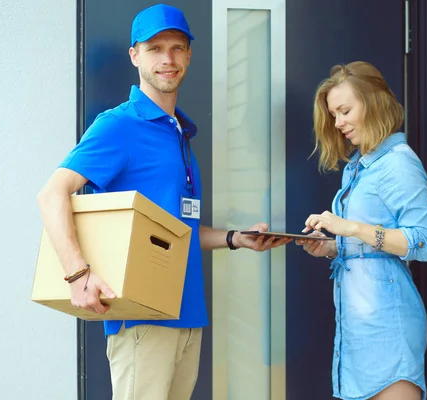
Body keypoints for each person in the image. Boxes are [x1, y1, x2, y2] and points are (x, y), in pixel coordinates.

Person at [36, 4, 289, 399]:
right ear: (134, 55)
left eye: (177, 47)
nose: (167, 59)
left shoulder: (180, 134)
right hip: (141, 319)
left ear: (189, 55)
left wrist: (234, 238)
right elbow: (52, 193)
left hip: (187, 316)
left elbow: (176, 229)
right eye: (155, 48)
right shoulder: (118, 125)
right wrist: (77, 275)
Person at [296, 61, 427, 400]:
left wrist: (352, 228)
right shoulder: (359, 167)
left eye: (345, 111)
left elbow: (425, 242)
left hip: (389, 329)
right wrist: (333, 246)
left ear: (373, 103)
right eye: (333, 115)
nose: (338, 123)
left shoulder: (399, 162)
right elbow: (370, 243)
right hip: (358, 331)